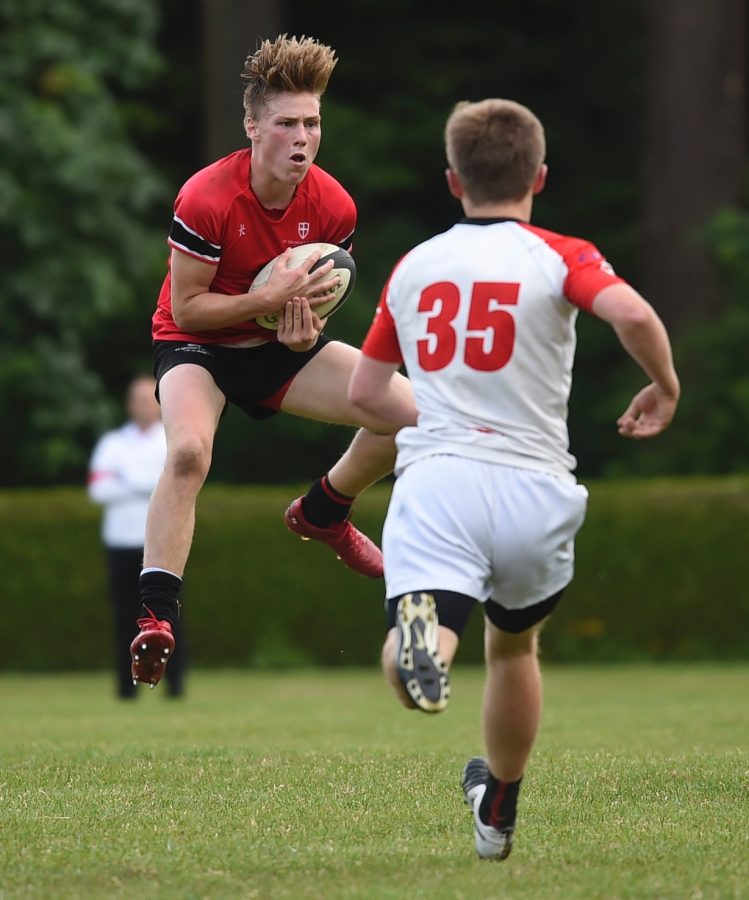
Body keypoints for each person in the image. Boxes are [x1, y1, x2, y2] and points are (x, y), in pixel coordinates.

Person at [348, 98, 680, 860]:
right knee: (514, 648)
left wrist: (433, 411)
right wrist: (663, 385)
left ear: (450, 180)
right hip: (535, 488)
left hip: (440, 482)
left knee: (416, 657)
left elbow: (366, 395)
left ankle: (421, 639)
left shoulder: (415, 264)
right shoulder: (559, 253)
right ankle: (495, 810)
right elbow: (629, 315)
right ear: (538, 176)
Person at [130, 34, 412, 688]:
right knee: (188, 454)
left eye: (312, 123)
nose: (302, 137)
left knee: (412, 413)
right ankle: (155, 619)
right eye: (286, 123)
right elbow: (190, 307)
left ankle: (325, 509)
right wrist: (266, 299)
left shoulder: (335, 206)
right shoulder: (205, 198)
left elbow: (308, 311)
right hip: (195, 344)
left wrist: (299, 325)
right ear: (253, 126)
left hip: (272, 348)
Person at [88, 375, 186, 698]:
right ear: (130, 405)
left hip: (162, 545)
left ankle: (175, 688)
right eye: (138, 400)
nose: (144, 406)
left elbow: (182, 484)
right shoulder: (113, 443)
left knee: (168, 616)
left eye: (149, 399)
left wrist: (127, 480)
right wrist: (149, 483)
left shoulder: (172, 439)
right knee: (124, 616)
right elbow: (99, 489)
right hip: (121, 541)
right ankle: (126, 690)